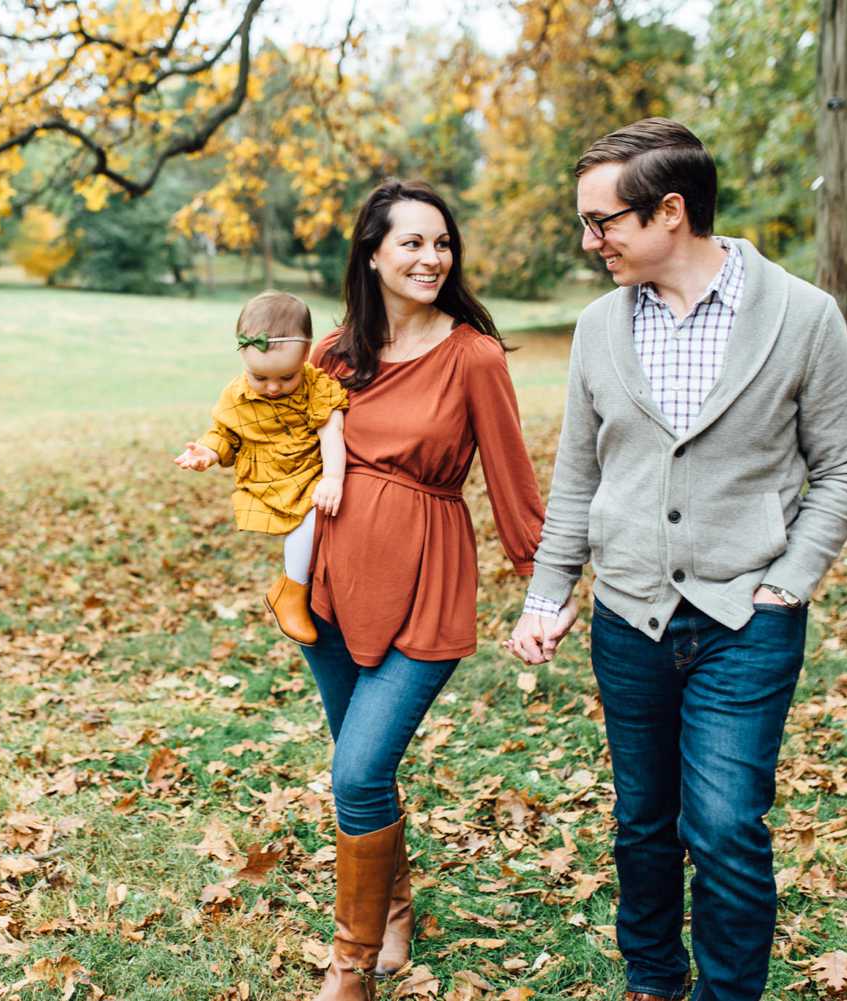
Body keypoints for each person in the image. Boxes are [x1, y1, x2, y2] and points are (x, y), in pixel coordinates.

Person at [508, 119, 847, 1001]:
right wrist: (547, 592)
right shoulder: (600, 327)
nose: (590, 241)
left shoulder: (803, 315)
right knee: (642, 821)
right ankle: (653, 976)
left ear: (670, 211)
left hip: (746, 619)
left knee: (725, 826)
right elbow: (577, 471)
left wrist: (788, 581)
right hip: (627, 616)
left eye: (604, 223)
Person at [303, 179, 545, 1000]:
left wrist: (541, 587)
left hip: (426, 585)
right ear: (372, 253)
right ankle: (394, 905)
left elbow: (513, 481)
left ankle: (350, 968)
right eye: (411, 242)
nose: (430, 257)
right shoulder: (333, 357)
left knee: (359, 769)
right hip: (332, 589)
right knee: (357, 766)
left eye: (441, 243)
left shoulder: (471, 353)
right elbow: (286, 449)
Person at [175, 290, 348, 645]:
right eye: (260, 377)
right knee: (308, 518)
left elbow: (332, 429)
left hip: (310, 471)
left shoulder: (317, 387)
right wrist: (206, 453)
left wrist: (333, 477)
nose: (272, 388)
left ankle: (294, 588)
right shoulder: (236, 395)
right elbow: (225, 433)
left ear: (305, 354)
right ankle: (292, 590)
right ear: (242, 358)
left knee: (318, 512)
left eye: (286, 378)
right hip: (271, 476)